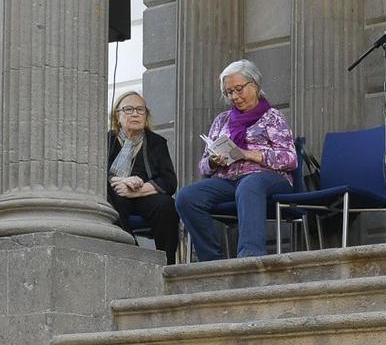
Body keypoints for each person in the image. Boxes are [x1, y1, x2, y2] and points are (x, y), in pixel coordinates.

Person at [172, 59, 299, 261]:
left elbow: (290, 159)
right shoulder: (222, 120)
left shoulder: (272, 117)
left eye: (239, 89)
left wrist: (248, 154)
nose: (235, 97)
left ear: (255, 85)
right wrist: (214, 161)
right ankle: (212, 260)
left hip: (268, 177)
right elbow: (203, 166)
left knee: (249, 185)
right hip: (228, 179)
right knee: (187, 197)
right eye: (229, 92)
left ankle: (250, 256)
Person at [104, 90, 180, 263]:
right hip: (116, 192)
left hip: (144, 193)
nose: (135, 114)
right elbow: (97, 173)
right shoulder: (107, 140)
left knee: (167, 205)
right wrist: (122, 181)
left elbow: (169, 181)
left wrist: (137, 190)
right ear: (118, 116)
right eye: (129, 110)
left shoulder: (156, 142)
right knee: (111, 197)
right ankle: (133, 255)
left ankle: (166, 263)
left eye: (140, 110)